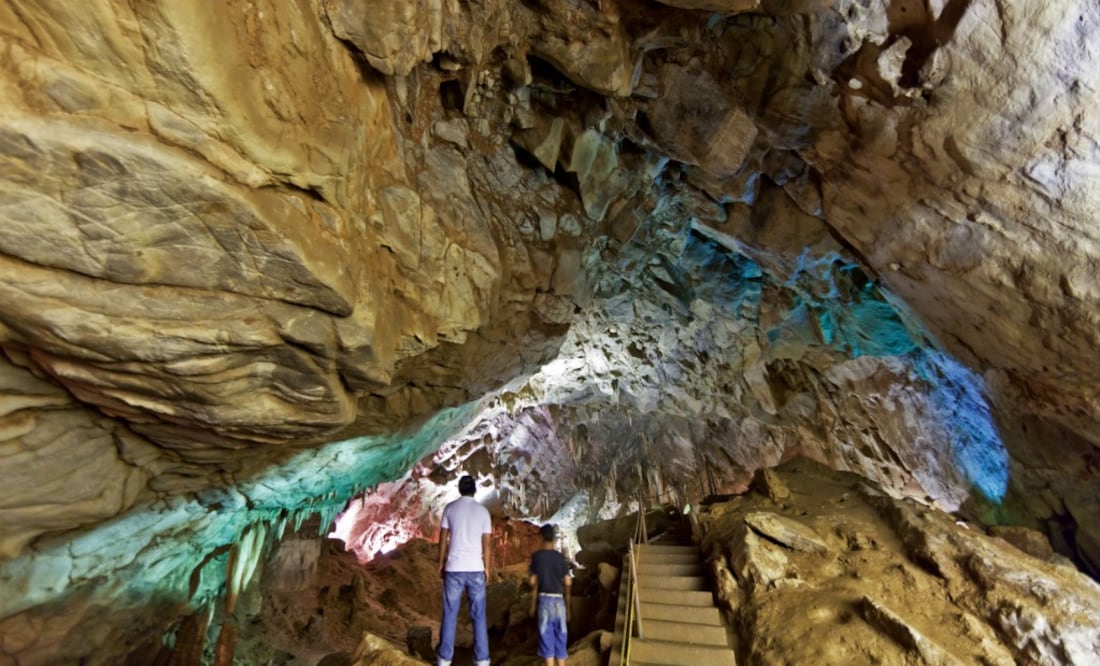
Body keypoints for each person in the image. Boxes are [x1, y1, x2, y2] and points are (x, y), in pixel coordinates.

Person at [437, 475, 492, 666]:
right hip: (476, 568)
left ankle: (444, 659)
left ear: (459, 489)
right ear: (474, 490)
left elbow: (443, 538)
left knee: (450, 614)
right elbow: (486, 544)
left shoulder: (450, 508)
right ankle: (482, 660)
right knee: (479, 616)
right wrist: (487, 568)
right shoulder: (483, 512)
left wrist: (440, 563)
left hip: (453, 568)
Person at [528, 524, 572, 666]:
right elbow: (568, 583)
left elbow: (533, 582)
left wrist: (533, 606)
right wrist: (569, 608)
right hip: (559, 603)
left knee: (547, 647)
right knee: (561, 645)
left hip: (544, 602)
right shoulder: (560, 558)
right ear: (553, 538)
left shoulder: (537, 557)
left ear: (541, 537)